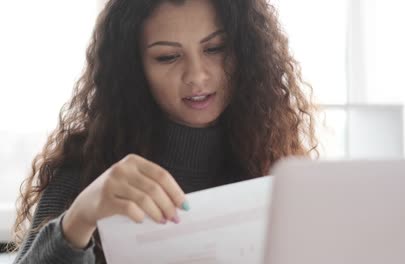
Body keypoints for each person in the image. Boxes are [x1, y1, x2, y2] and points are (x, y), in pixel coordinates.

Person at [12, 0, 317, 263]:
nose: (197, 75)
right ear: (135, 69)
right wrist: (78, 220)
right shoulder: (87, 164)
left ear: (245, 52)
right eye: (168, 57)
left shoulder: (276, 160)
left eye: (215, 48)